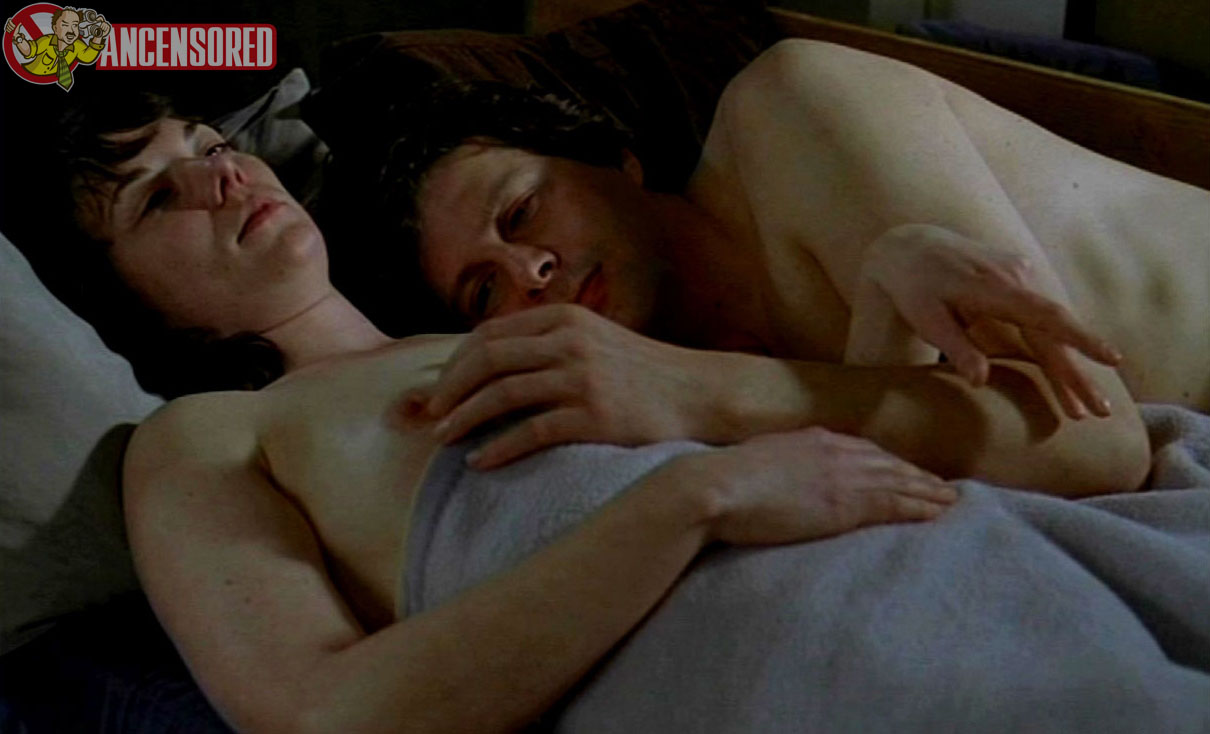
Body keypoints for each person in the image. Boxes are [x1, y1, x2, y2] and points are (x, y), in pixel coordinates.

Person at [58, 96, 959, 732]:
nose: (221, 177)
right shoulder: (202, 435)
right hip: (821, 670)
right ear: (124, 303)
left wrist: (889, 293)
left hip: (953, 555)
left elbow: (829, 469)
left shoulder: (515, 318)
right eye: (158, 197)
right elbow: (320, 715)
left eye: (211, 144)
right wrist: (693, 501)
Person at [382, 39, 1210, 491]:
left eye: (522, 213)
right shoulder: (659, 409)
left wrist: (694, 390)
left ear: (614, 158)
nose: (529, 271)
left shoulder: (790, 107)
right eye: (484, 291)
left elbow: (1097, 440)